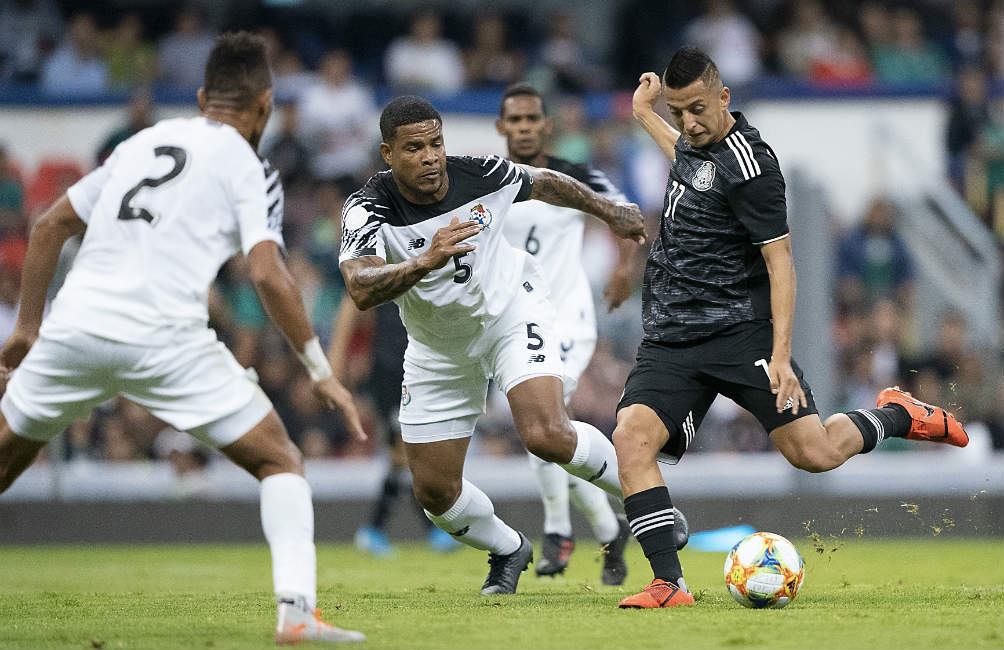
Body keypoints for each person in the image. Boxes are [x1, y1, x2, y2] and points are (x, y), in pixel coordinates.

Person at [0, 32, 367, 643]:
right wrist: (318, 367)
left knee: (5, 457)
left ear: (201, 97)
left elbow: (48, 225)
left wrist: (27, 331)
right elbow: (268, 273)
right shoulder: (248, 165)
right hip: (165, 340)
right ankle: (297, 614)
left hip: (77, 327)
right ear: (265, 105)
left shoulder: (141, 143)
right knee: (279, 460)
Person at [614, 46, 969, 609]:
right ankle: (669, 583)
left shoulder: (752, 167)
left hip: (741, 334)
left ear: (725, 97)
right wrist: (645, 115)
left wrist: (780, 356)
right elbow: (686, 162)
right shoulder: (694, 141)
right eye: (678, 112)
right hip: (673, 336)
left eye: (698, 110)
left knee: (816, 455)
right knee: (631, 439)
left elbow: (781, 262)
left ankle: (897, 413)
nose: (688, 123)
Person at [338, 95, 646, 595]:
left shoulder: (479, 173)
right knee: (435, 494)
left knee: (546, 433)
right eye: (414, 148)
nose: (431, 156)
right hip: (437, 349)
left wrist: (609, 211)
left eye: (435, 143)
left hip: (510, 313)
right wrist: (422, 261)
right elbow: (359, 285)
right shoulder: (367, 208)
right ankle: (508, 548)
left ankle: (649, 502)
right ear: (388, 154)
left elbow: (546, 183)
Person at [495, 82, 687, 585]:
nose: (522, 127)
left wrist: (625, 269)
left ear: (546, 126)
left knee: (548, 419)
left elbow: (628, 217)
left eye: (531, 119)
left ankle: (558, 529)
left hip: (567, 320)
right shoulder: (487, 181)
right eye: (513, 120)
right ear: (501, 127)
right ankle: (609, 527)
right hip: (514, 324)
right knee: (551, 435)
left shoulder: (573, 175)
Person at [327, 294, 461, 555]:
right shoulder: (385, 256)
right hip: (391, 368)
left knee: (407, 455)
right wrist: (336, 363)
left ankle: (380, 529)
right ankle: (406, 528)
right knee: (405, 451)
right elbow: (351, 301)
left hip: (423, 363)